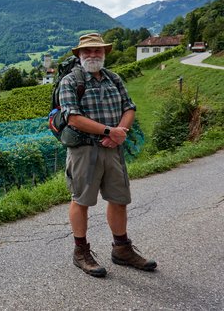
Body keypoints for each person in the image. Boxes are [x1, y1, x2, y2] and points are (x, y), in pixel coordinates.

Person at [59, 33, 157, 277]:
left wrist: (119, 133)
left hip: (113, 148)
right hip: (84, 150)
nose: (93, 55)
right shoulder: (70, 81)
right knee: (81, 200)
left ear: (104, 53)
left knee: (119, 198)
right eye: (87, 52)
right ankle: (81, 252)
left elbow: (129, 107)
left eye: (97, 51)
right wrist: (109, 131)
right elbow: (72, 117)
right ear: (79, 55)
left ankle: (121, 249)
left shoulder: (114, 78)